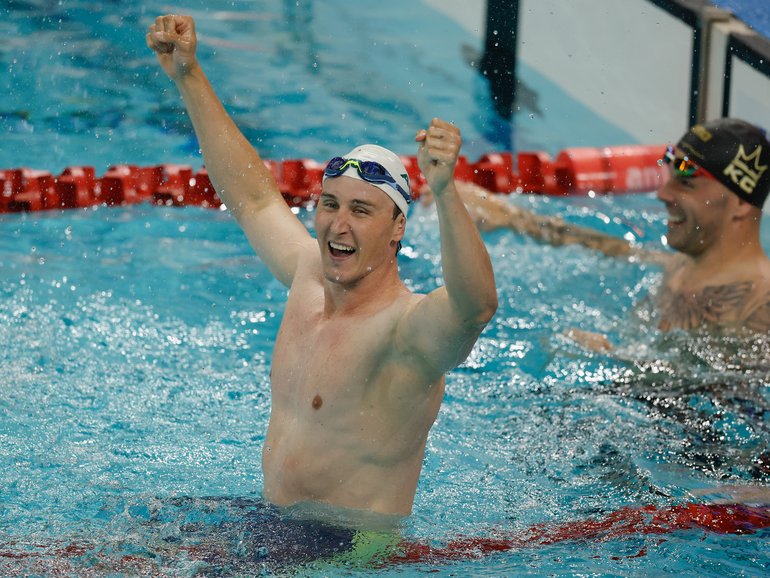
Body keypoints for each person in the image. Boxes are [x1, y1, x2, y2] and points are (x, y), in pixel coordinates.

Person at [146, 14, 497, 521]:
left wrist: (443, 192)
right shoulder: (310, 275)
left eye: (361, 211)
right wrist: (189, 75)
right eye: (330, 204)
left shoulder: (406, 332)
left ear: (397, 228)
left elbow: (476, 306)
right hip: (276, 525)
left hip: (346, 548)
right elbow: (252, 198)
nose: (338, 225)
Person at [431, 118, 770, 350]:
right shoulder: (685, 262)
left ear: (740, 204)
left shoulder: (760, 306)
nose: (663, 194)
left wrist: (615, 358)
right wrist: (517, 220)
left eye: (686, 182)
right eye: (669, 174)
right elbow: (615, 249)